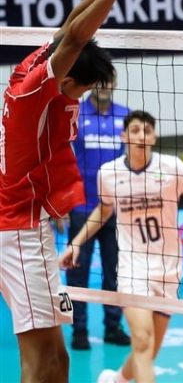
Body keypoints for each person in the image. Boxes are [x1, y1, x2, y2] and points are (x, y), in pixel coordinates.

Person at [0, 0, 130, 383]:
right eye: (85, 89)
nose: (86, 96)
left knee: (58, 361)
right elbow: (74, 39)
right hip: (20, 229)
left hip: (27, 225)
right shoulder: (38, 89)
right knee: (40, 363)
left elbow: (69, 29)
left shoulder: (32, 64)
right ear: (68, 80)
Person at [60, 110, 183, 383]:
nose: (141, 136)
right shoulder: (109, 173)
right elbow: (103, 210)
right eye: (135, 130)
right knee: (141, 341)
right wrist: (76, 242)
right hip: (132, 269)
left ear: (154, 137)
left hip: (169, 270)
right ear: (123, 136)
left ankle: (116, 380)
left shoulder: (173, 167)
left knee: (149, 351)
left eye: (147, 131)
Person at [67, 72, 131, 350]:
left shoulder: (125, 115)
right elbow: (62, 158)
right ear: (92, 83)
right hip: (81, 207)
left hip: (115, 208)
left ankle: (113, 328)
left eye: (109, 80)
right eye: (100, 80)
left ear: (114, 83)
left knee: (114, 272)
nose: (104, 85)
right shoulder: (76, 113)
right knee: (77, 272)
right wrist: (62, 205)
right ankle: (78, 330)